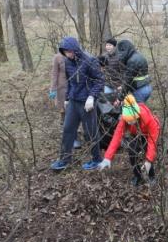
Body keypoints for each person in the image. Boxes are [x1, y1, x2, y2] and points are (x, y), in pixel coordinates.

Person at [50, 36, 105, 171]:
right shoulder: (67, 61)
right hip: (74, 102)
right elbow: (71, 80)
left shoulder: (89, 60)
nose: (67, 54)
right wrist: (68, 98)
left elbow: (99, 80)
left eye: (69, 51)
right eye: (64, 52)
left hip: (87, 103)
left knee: (90, 132)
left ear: (75, 49)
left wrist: (92, 97)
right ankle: (64, 159)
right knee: (68, 130)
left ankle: (96, 159)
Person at [98, 94, 160, 186]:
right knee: (132, 151)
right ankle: (138, 176)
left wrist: (148, 161)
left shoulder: (150, 120)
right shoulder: (125, 118)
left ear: (137, 115)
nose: (129, 123)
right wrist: (108, 157)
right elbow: (116, 137)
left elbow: (152, 143)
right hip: (136, 134)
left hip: (148, 134)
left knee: (148, 150)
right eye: (127, 121)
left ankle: (151, 176)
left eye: (131, 120)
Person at [49, 52, 82, 148]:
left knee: (74, 111)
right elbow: (54, 74)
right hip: (62, 88)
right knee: (65, 111)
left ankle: (76, 133)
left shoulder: (75, 55)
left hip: (74, 86)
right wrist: (53, 89)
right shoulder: (57, 57)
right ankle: (71, 137)